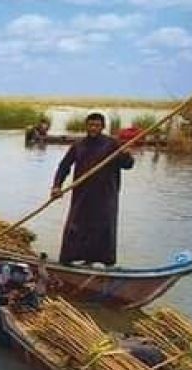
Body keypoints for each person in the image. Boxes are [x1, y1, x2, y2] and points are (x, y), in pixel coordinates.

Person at [50, 112, 134, 266]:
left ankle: (101, 265)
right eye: (91, 125)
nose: (93, 128)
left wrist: (126, 155)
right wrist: (57, 186)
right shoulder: (78, 145)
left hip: (105, 196)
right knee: (75, 227)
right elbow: (64, 167)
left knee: (102, 229)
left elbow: (127, 165)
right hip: (82, 195)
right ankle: (67, 263)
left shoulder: (112, 144)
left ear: (102, 127)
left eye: (97, 125)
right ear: (86, 126)